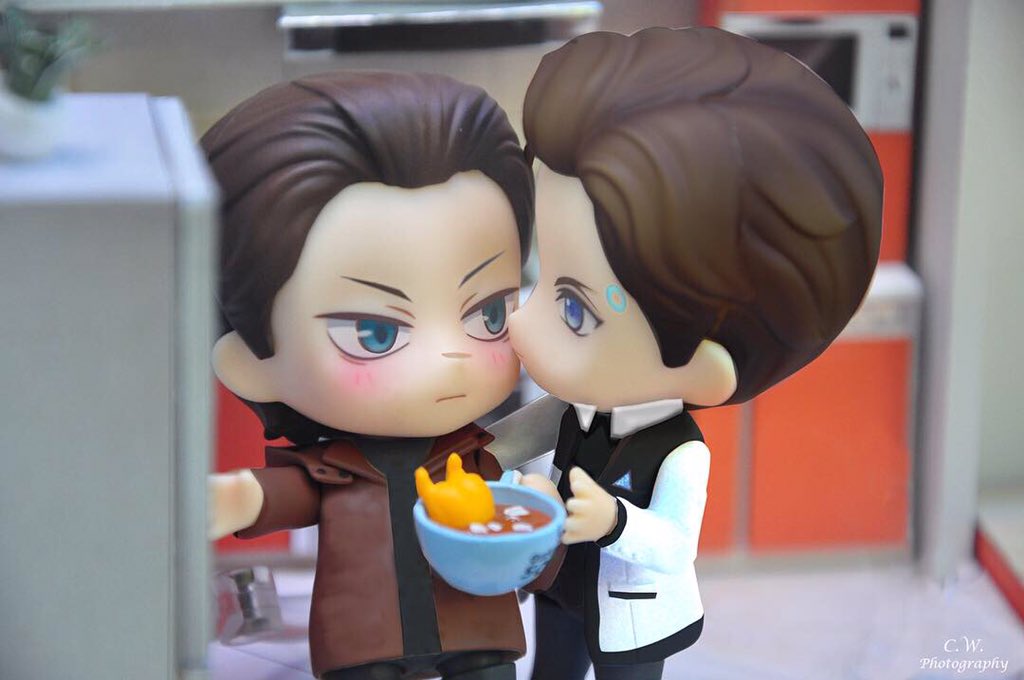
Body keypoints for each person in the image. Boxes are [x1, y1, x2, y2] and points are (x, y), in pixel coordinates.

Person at [512, 27, 883, 680]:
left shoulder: (681, 453)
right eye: (541, 278)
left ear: (705, 370)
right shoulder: (579, 404)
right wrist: (477, 454)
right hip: (562, 585)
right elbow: (526, 432)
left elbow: (675, 544)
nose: (522, 323)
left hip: (633, 613)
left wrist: (613, 520)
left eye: (574, 310)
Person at [203, 71, 534, 680]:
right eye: (374, 333)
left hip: (475, 624)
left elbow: (521, 516)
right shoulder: (334, 472)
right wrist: (239, 498)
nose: (449, 358)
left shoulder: (474, 456)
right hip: (367, 638)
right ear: (250, 363)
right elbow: (286, 493)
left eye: (488, 315)